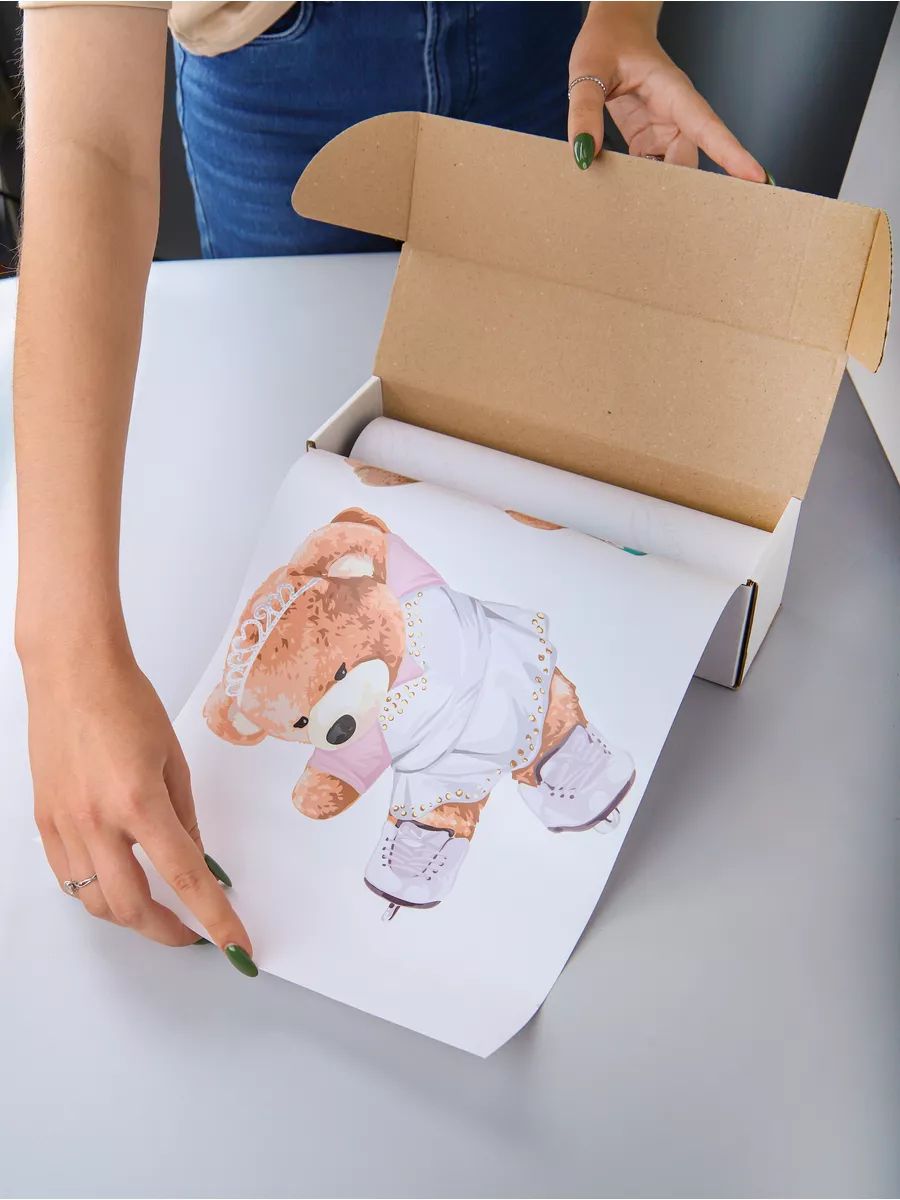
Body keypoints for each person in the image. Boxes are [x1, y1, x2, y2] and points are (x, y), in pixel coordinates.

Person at [13, 1, 766, 976]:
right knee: (291, 409)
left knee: (552, 421)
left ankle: (566, 764)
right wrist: (62, 658)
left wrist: (623, 12)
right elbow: (94, 144)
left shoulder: (413, 598)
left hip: (546, 50)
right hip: (283, 84)